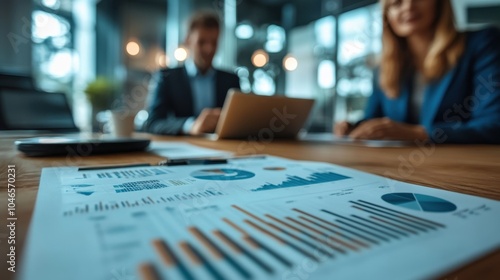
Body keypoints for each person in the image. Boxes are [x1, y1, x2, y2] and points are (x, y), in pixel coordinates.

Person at [335, 0, 500, 144]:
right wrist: (355, 127)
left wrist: (417, 134)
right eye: (397, 2)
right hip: (400, 168)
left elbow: (494, 124)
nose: (408, 6)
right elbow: (375, 119)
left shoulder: (482, 44)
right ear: (387, 15)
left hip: (465, 167)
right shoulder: (384, 67)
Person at [144, 11, 240, 135]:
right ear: (188, 41)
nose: (209, 49)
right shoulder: (167, 77)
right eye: (201, 42)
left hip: (224, 148)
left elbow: (239, 121)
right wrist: (191, 125)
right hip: (182, 148)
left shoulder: (231, 80)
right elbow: (152, 123)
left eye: (214, 42)